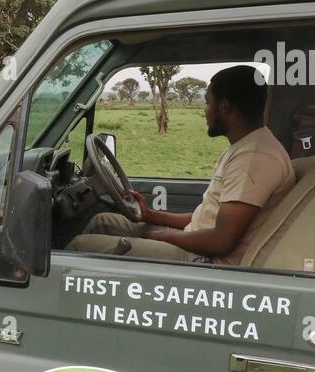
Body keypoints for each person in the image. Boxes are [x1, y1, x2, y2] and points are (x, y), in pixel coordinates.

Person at [69, 65, 295, 263]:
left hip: (205, 260)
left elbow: (220, 241)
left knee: (80, 245)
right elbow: (204, 218)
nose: (204, 111)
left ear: (225, 108)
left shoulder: (255, 158)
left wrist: (162, 235)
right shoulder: (246, 147)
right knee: (102, 221)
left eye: (208, 102)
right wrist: (150, 216)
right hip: (199, 242)